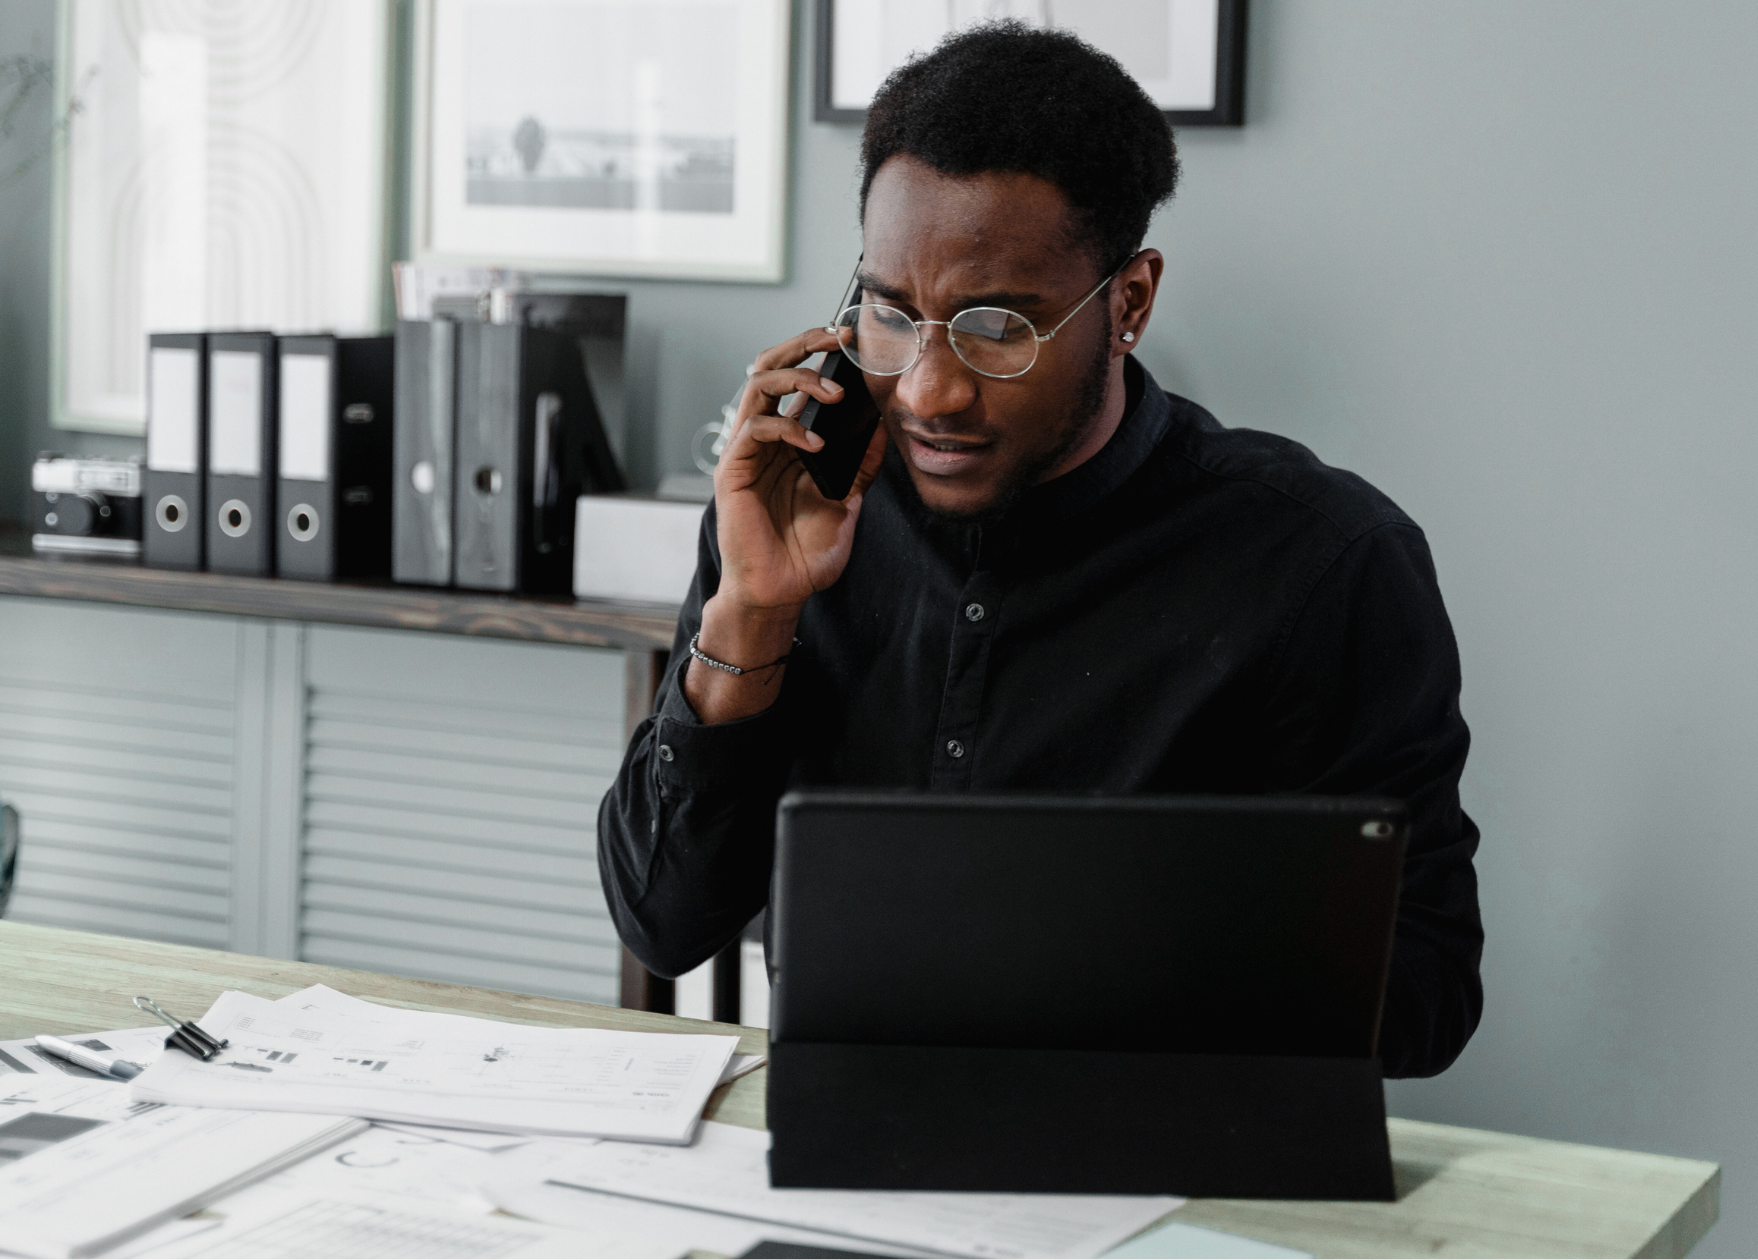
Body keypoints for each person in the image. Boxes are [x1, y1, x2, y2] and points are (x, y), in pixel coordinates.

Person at [597, 22, 1482, 1077]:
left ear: (1129, 303)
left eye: (996, 329)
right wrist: (748, 611)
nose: (929, 389)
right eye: (890, 313)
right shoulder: (796, 509)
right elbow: (662, 923)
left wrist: (1107, 937)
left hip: (1168, 1167)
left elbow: (1424, 997)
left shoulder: (1322, 561)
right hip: (845, 1152)